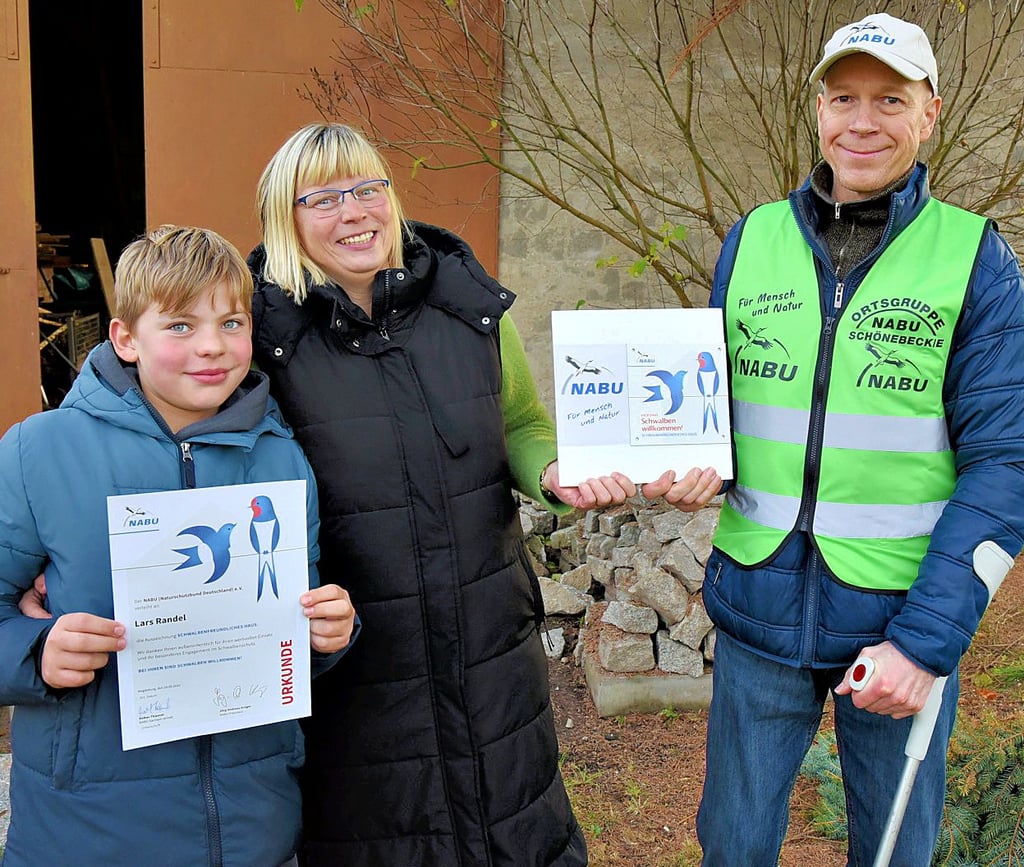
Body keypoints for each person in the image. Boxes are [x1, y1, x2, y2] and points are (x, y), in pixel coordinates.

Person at [247, 121, 720, 866]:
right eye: (326, 197)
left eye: (370, 187)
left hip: (490, 645)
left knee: (515, 826)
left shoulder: (466, 311)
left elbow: (523, 423)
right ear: (286, 217)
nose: (357, 211)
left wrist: (554, 472)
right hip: (362, 670)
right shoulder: (262, 342)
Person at [685, 12, 1024, 865]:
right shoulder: (752, 237)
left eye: (889, 99)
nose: (862, 121)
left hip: (897, 624)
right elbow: (711, 407)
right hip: (758, 607)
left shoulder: (973, 257)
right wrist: (673, 462)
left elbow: (1005, 461)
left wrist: (924, 641)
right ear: (818, 109)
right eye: (843, 97)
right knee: (731, 846)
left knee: (894, 853)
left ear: (931, 112)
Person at [0, 225, 358, 867]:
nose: (212, 348)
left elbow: (284, 632)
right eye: (181, 326)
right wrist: (35, 650)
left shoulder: (281, 459)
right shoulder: (39, 453)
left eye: (232, 322)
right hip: (88, 832)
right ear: (126, 338)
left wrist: (325, 635)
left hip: (255, 826)